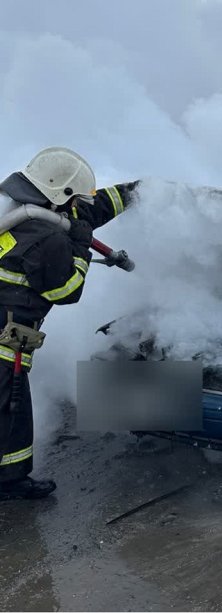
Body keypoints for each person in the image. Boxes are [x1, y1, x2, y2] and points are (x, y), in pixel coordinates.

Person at [0, 147, 138, 500]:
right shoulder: (46, 238)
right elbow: (66, 290)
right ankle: (10, 483)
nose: (80, 204)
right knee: (10, 414)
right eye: (74, 196)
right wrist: (80, 249)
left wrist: (135, 192)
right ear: (59, 194)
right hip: (6, 340)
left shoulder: (20, 203)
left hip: (9, 331)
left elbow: (89, 208)